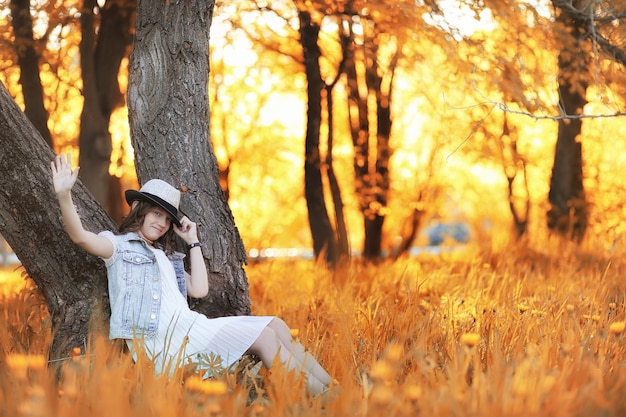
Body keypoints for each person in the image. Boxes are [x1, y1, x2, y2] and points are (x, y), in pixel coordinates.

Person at [51, 153, 333, 396]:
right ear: (139, 209)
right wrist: (64, 195)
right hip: (163, 342)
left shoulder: (165, 257)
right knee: (266, 339)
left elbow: (198, 289)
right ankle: (320, 402)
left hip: (190, 329)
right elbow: (81, 237)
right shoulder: (118, 247)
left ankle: (335, 390)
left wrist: (193, 241)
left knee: (276, 325)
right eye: (156, 214)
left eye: (166, 218)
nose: (161, 223)